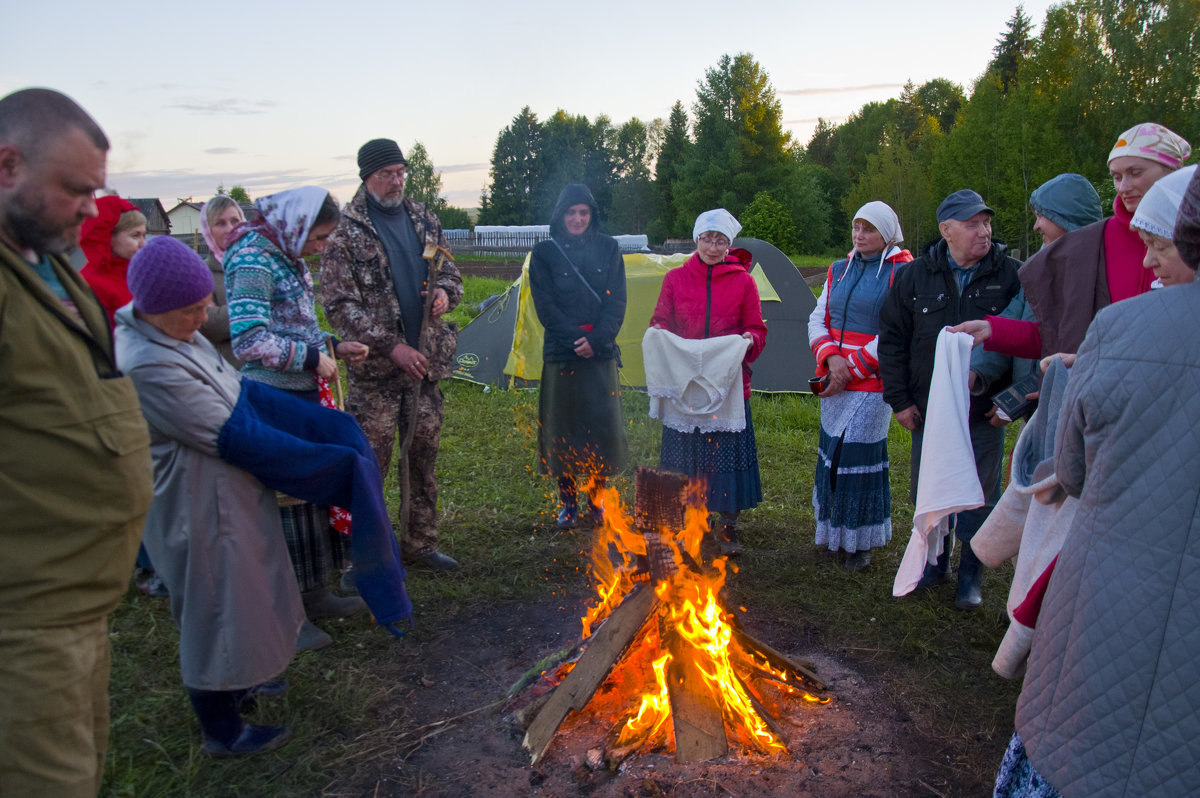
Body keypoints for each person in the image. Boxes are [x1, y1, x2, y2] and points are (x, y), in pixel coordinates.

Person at [115, 236, 414, 756]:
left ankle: (245, 686)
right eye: (192, 309)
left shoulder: (179, 336)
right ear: (154, 308)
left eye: (204, 303)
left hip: (228, 495)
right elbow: (235, 431)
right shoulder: (147, 363)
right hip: (194, 506)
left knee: (247, 595)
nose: (204, 316)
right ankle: (222, 730)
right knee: (213, 611)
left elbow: (238, 390)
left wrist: (326, 427)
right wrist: (329, 466)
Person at [993, 165, 1200, 798]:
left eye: (1160, 245)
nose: (1150, 260)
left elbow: (1071, 468)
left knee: (1089, 746)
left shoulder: (1122, 329)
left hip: (1113, 597)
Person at [0, 88, 153, 796]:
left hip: (83, 599)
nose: (94, 209)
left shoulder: (48, 257)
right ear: (7, 166)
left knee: (80, 768)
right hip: (26, 615)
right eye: (76, 189)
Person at [225, 186, 369, 639]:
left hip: (302, 396)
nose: (322, 248)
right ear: (297, 225)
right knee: (281, 506)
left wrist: (331, 345)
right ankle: (284, 616)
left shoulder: (285, 253)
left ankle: (312, 594)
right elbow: (248, 339)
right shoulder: (252, 258)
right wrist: (309, 359)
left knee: (308, 498)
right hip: (272, 400)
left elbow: (295, 324)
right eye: (320, 237)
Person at [320, 138, 464, 571]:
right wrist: (391, 345)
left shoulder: (423, 218)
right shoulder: (346, 232)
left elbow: (451, 271)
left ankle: (420, 544)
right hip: (378, 374)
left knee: (423, 459)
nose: (396, 180)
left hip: (425, 366)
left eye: (401, 171)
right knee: (368, 467)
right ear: (366, 177)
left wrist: (443, 292)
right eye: (387, 173)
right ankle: (360, 556)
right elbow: (340, 306)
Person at [878, 189, 1021, 609]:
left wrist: (1010, 399)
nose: (985, 232)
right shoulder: (915, 276)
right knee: (930, 485)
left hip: (984, 408)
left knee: (980, 490)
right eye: (973, 224)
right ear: (947, 230)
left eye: (987, 223)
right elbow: (892, 339)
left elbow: (1019, 342)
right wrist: (900, 401)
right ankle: (935, 562)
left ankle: (970, 575)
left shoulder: (1009, 274)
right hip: (928, 410)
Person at [958, 123, 1190, 360]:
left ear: (1173, 172)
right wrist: (993, 330)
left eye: (1135, 173)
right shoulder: (1096, 241)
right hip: (1104, 393)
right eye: (1117, 176)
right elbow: (1059, 335)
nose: (1123, 187)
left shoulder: (1192, 242)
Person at [650, 209, 767, 555]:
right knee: (685, 456)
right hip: (684, 386)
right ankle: (688, 521)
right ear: (696, 239)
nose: (713, 247)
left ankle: (729, 524)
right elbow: (661, 321)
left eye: (720, 241)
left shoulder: (743, 282)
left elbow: (757, 330)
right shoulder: (675, 279)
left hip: (727, 386)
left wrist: (748, 341)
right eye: (707, 239)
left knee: (725, 456)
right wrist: (657, 335)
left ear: (729, 245)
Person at [808, 201, 913, 570]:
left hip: (872, 383)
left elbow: (896, 331)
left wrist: (850, 367)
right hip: (834, 380)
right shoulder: (838, 269)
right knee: (832, 454)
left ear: (887, 233)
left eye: (868, 229)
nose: (859, 235)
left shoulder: (903, 273)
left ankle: (860, 540)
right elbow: (817, 317)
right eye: (856, 227)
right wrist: (831, 360)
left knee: (858, 458)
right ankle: (833, 532)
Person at [528, 183, 628, 527]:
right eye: (571, 212)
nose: (577, 218)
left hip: (599, 353)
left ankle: (597, 502)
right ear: (561, 215)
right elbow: (546, 307)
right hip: (562, 353)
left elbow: (616, 303)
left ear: (592, 214)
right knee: (563, 431)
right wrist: (576, 341)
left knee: (601, 429)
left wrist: (597, 341)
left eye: (583, 212)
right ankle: (568, 503)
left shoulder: (609, 248)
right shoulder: (544, 254)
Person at [968, 174, 1104, 402]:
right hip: (1043, 397)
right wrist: (975, 366)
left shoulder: (1101, 271)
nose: (1036, 226)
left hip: (1083, 402)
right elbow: (1025, 320)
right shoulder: (1043, 268)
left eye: (1041, 216)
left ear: (1064, 218)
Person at [78, 194, 146, 326]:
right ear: (107, 236)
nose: (143, 244)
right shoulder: (91, 283)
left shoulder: (137, 275)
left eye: (144, 235)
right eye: (135, 235)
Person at [198, 194, 245, 367]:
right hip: (232, 373)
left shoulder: (262, 264)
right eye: (220, 223)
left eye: (235, 221)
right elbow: (210, 325)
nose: (230, 229)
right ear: (208, 231)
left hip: (276, 373)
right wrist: (261, 305)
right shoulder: (202, 273)